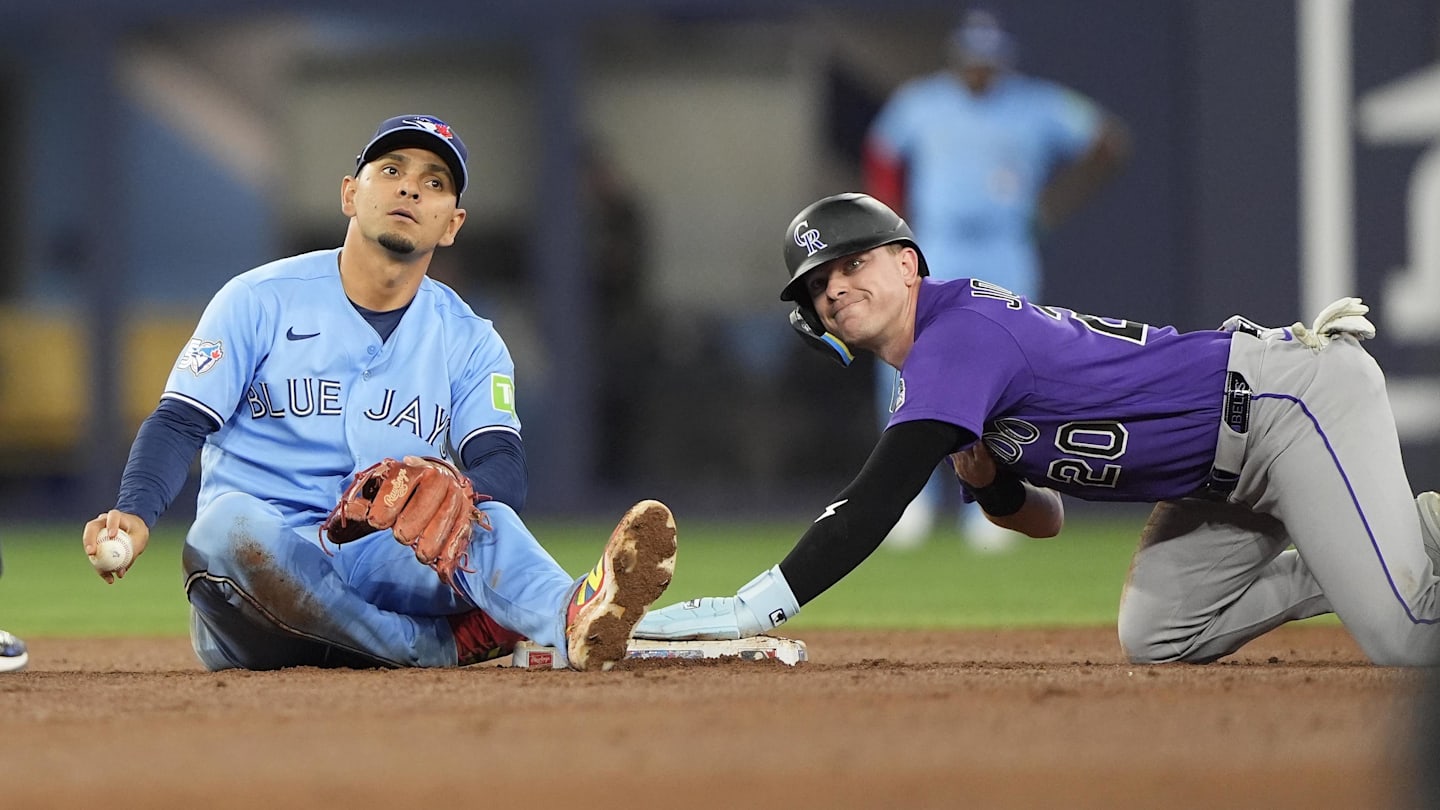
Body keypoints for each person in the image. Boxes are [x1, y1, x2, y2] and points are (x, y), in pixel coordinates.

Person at [635, 192, 1440, 666]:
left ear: (907, 263)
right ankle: (1395, 537)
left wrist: (754, 607)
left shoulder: (957, 340)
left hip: (1285, 408)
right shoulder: (939, 368)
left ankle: (1389, 552)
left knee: (1405, 638)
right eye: (817, 285)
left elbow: (877, 500)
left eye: (854, 264)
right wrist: (990, 483)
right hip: (1223, 476)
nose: (836, 289)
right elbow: (1045, 520)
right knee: (1159, 635)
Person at [79, 115, 677, 672]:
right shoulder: (258, 299)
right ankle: (433, 645)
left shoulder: (469, 338)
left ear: (452, 224)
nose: (410, 190)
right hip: (261, 577)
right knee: (221, 530)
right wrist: (132, 513)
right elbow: (179, 422)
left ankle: (572, 613)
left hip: (380, 559)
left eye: (433, 181)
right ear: (350, 194)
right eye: (391, 171)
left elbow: (504, 467)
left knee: (480, 516)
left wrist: (461, 487)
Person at [864, 9, 1131, 551]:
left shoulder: (1034, 104)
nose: (978, 71)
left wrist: (1054, 204)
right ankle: (908, 496)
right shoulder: (922, 101)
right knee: (907, 361)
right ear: (955, 57)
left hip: (1005, 246)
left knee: (1010, 367)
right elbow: (882, 155)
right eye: (970, 61)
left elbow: (1109, 139)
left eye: (987, 62)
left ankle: (993, 499)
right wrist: (888, 226)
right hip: (934, 242)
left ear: (1002, 61)